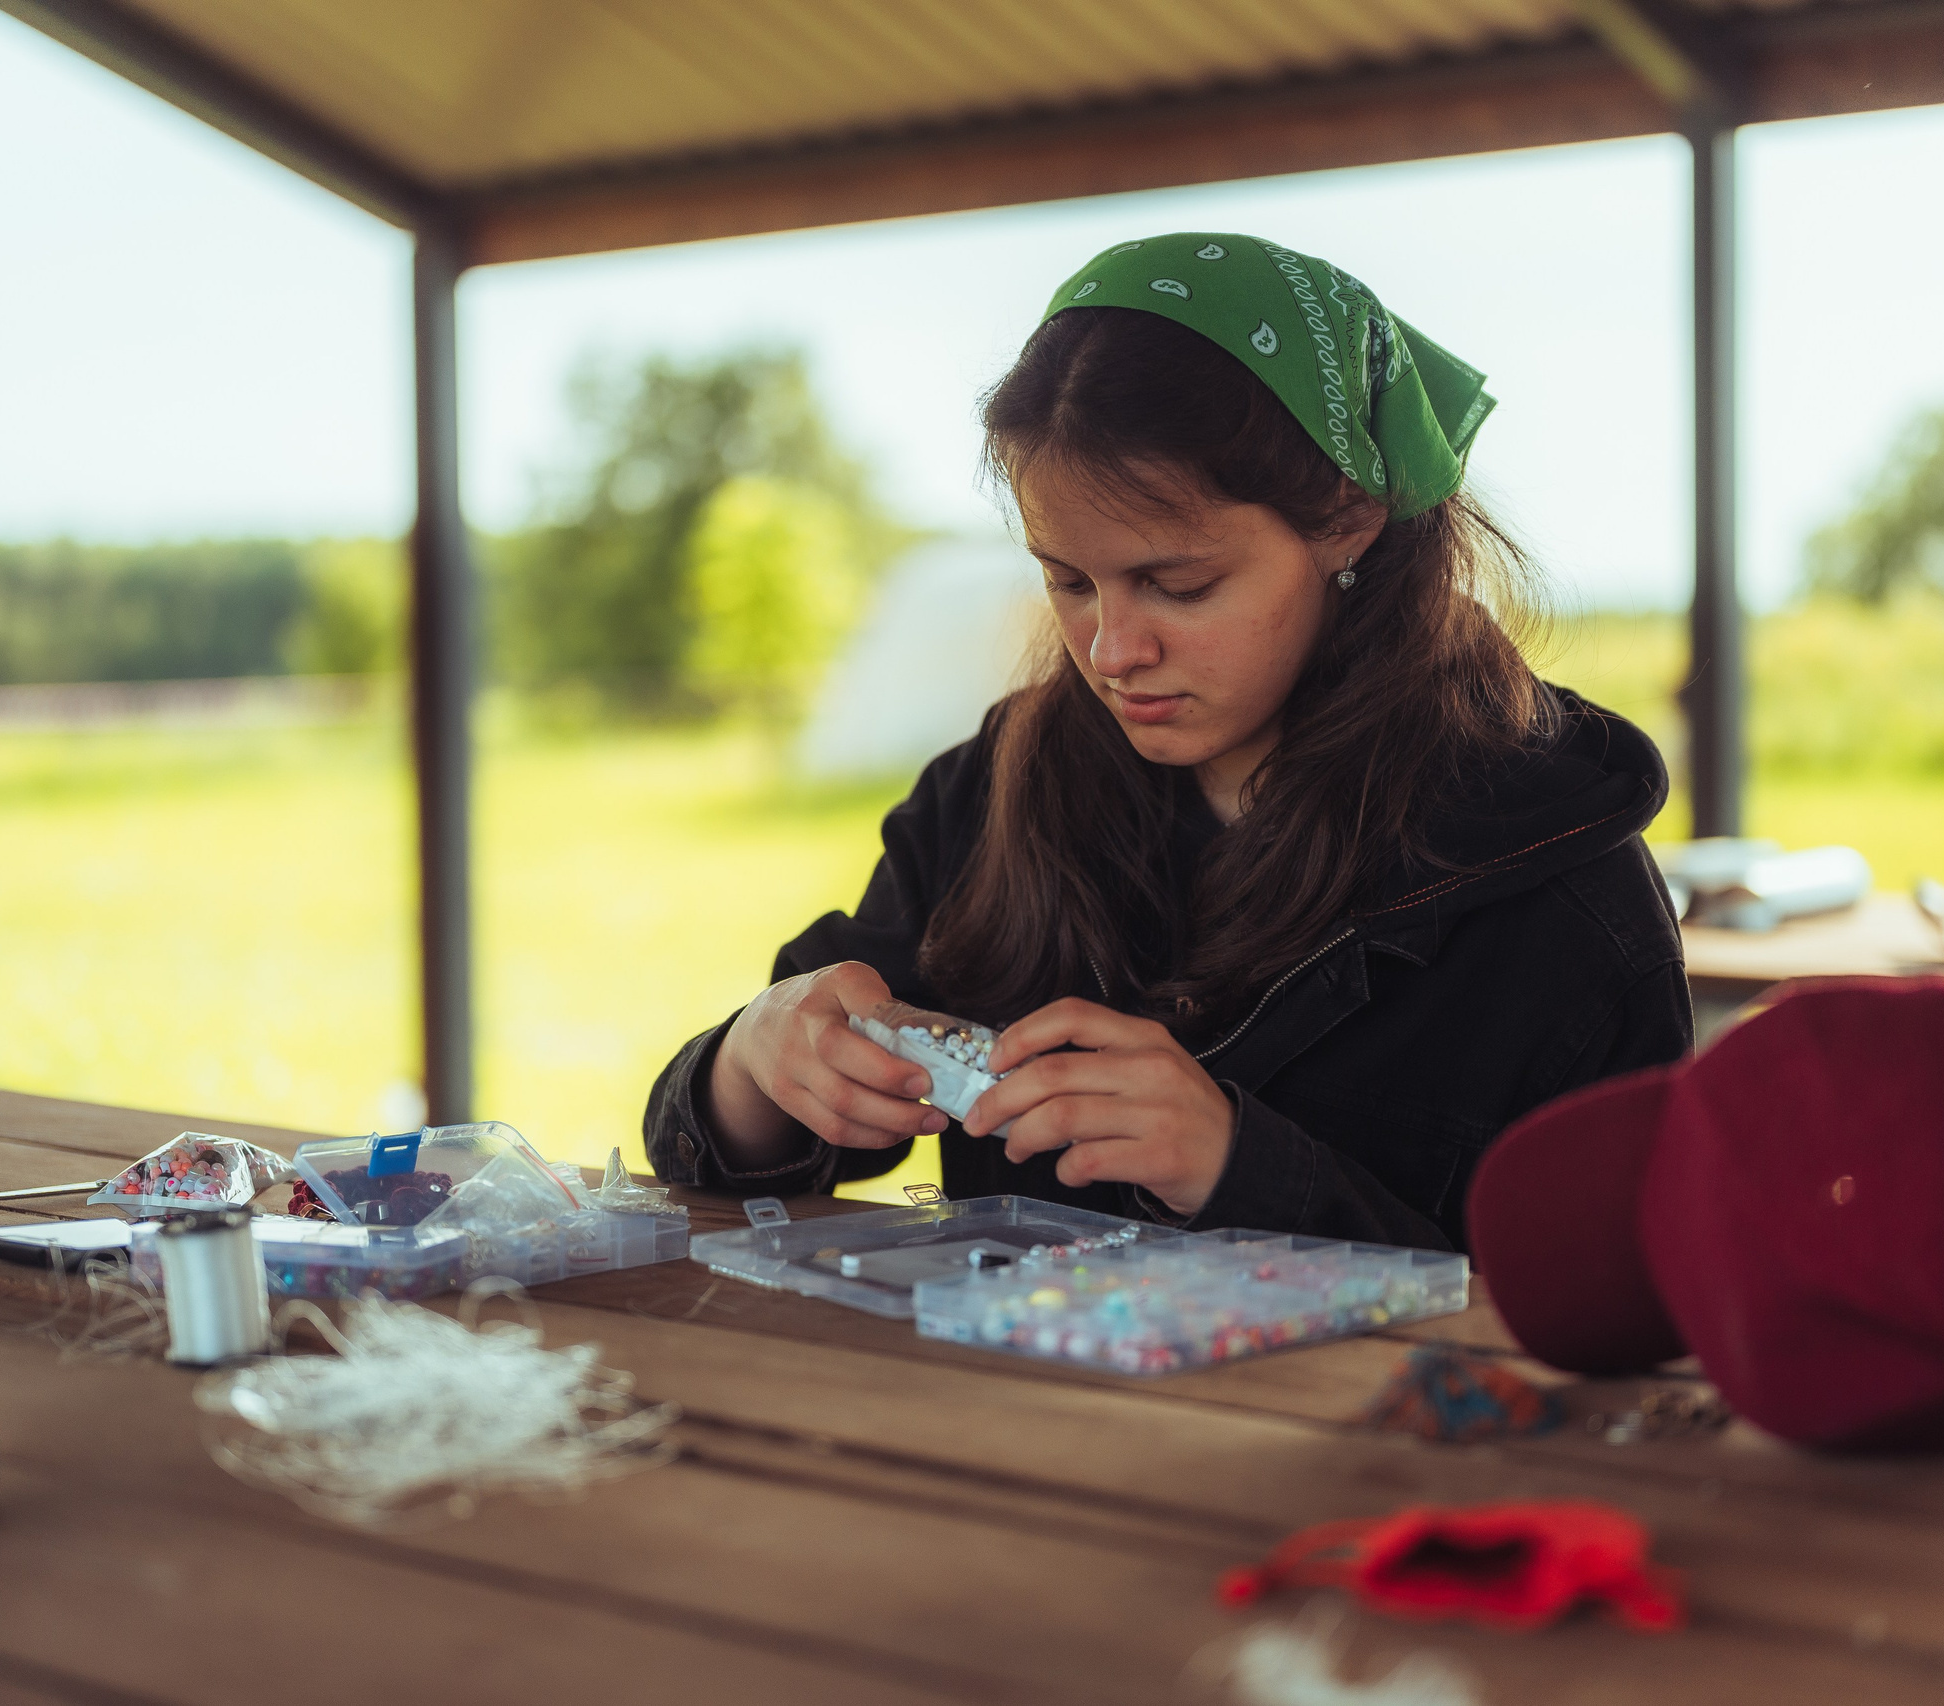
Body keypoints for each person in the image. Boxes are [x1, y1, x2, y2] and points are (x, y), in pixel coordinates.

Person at [642, 233, 1690, 1249]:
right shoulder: (991, 797)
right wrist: (749, 1069)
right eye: (1067, 580)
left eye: (1177, 584)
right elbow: (736, 1149)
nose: (1110, 649)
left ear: (1348, 521)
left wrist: (1244, 1170)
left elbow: (1622, 1320)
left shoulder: (1553, 889)